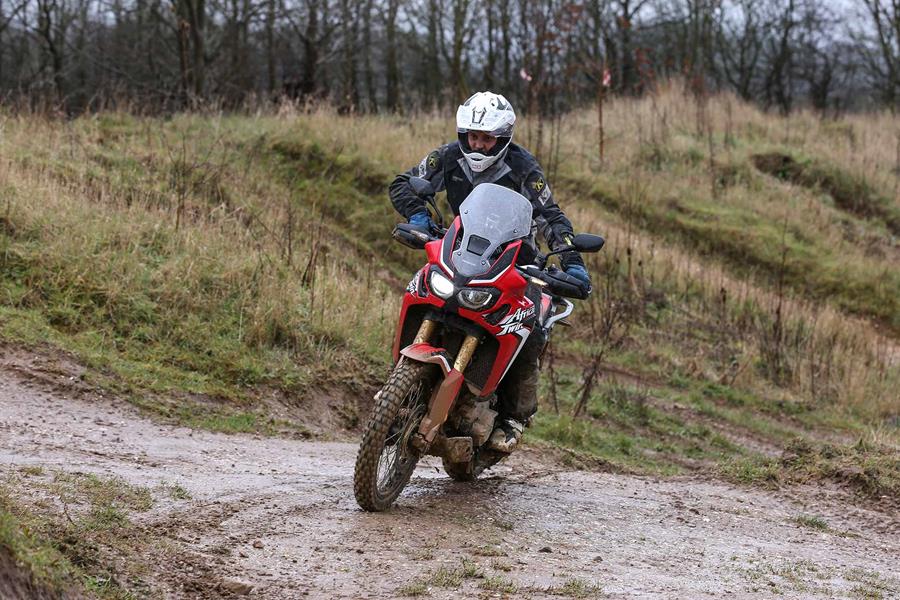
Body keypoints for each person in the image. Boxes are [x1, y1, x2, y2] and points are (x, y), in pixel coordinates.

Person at [389, 91, 591, 453]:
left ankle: (514, 417)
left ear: (503, 138)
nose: (478, 146)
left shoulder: (524, 167)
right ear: (464, 133)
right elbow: (404, 183)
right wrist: (419, 218)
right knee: (422, 290)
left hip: (516, 258)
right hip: (461, 248)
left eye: (487, 139)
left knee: (529, 327)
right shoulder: (448, 155)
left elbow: (550, 216)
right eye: (472, 137)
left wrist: (571, 259)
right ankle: (399, 384)